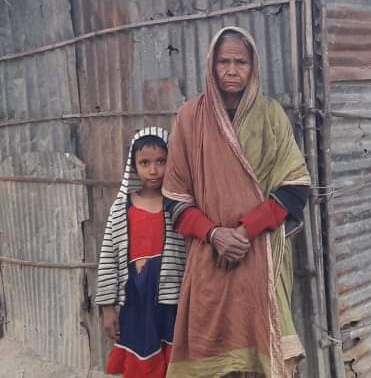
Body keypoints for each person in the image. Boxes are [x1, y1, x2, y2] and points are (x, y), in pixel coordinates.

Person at [163, 27, 311, 377]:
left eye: (240, 62)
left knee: (265, 349)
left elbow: (295, 186)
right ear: (211, 66)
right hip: (209, 254)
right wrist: (215, 235)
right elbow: (175, 199)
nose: (232, 70)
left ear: (253, 66)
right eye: (224, 62)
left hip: (261, 252)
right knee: (212, 352)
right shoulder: (189, 117)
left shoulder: (271, 115)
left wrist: (244, 233)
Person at [95, 127, 185, 378]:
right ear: (133, 167)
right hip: (135, 300)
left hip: (172, 301)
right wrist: (107, 307)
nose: (153, 170)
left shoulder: (178, 206)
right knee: (141, 364)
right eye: (145, 163)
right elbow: (108, 256)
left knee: (174, 361)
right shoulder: (122, 208)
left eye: (161, 161)